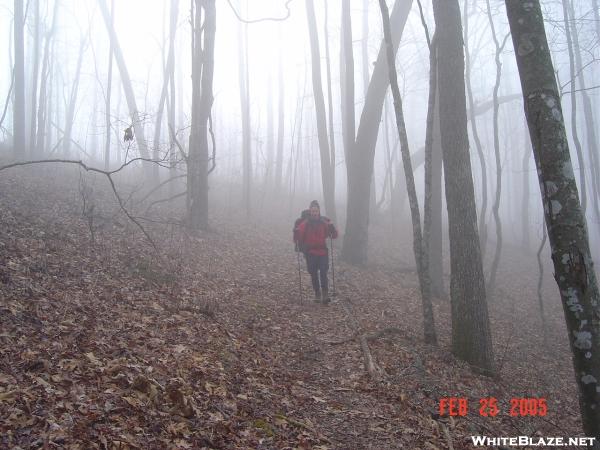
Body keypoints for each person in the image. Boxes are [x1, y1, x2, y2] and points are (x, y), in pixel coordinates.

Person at [293, 200, 338, 304]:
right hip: (310, 252)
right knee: (313, 273)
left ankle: (325, 294)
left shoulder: (324, 222)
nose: (314, 213)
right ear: (310, 211)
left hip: (322, 251)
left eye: (316, 211)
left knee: (323, 272)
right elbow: (297, 239)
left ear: (319, 211)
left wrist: (331, 227)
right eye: (312, 211)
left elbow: (334, 236)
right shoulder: (304, 224)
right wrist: (296, 232)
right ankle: (317, 293)